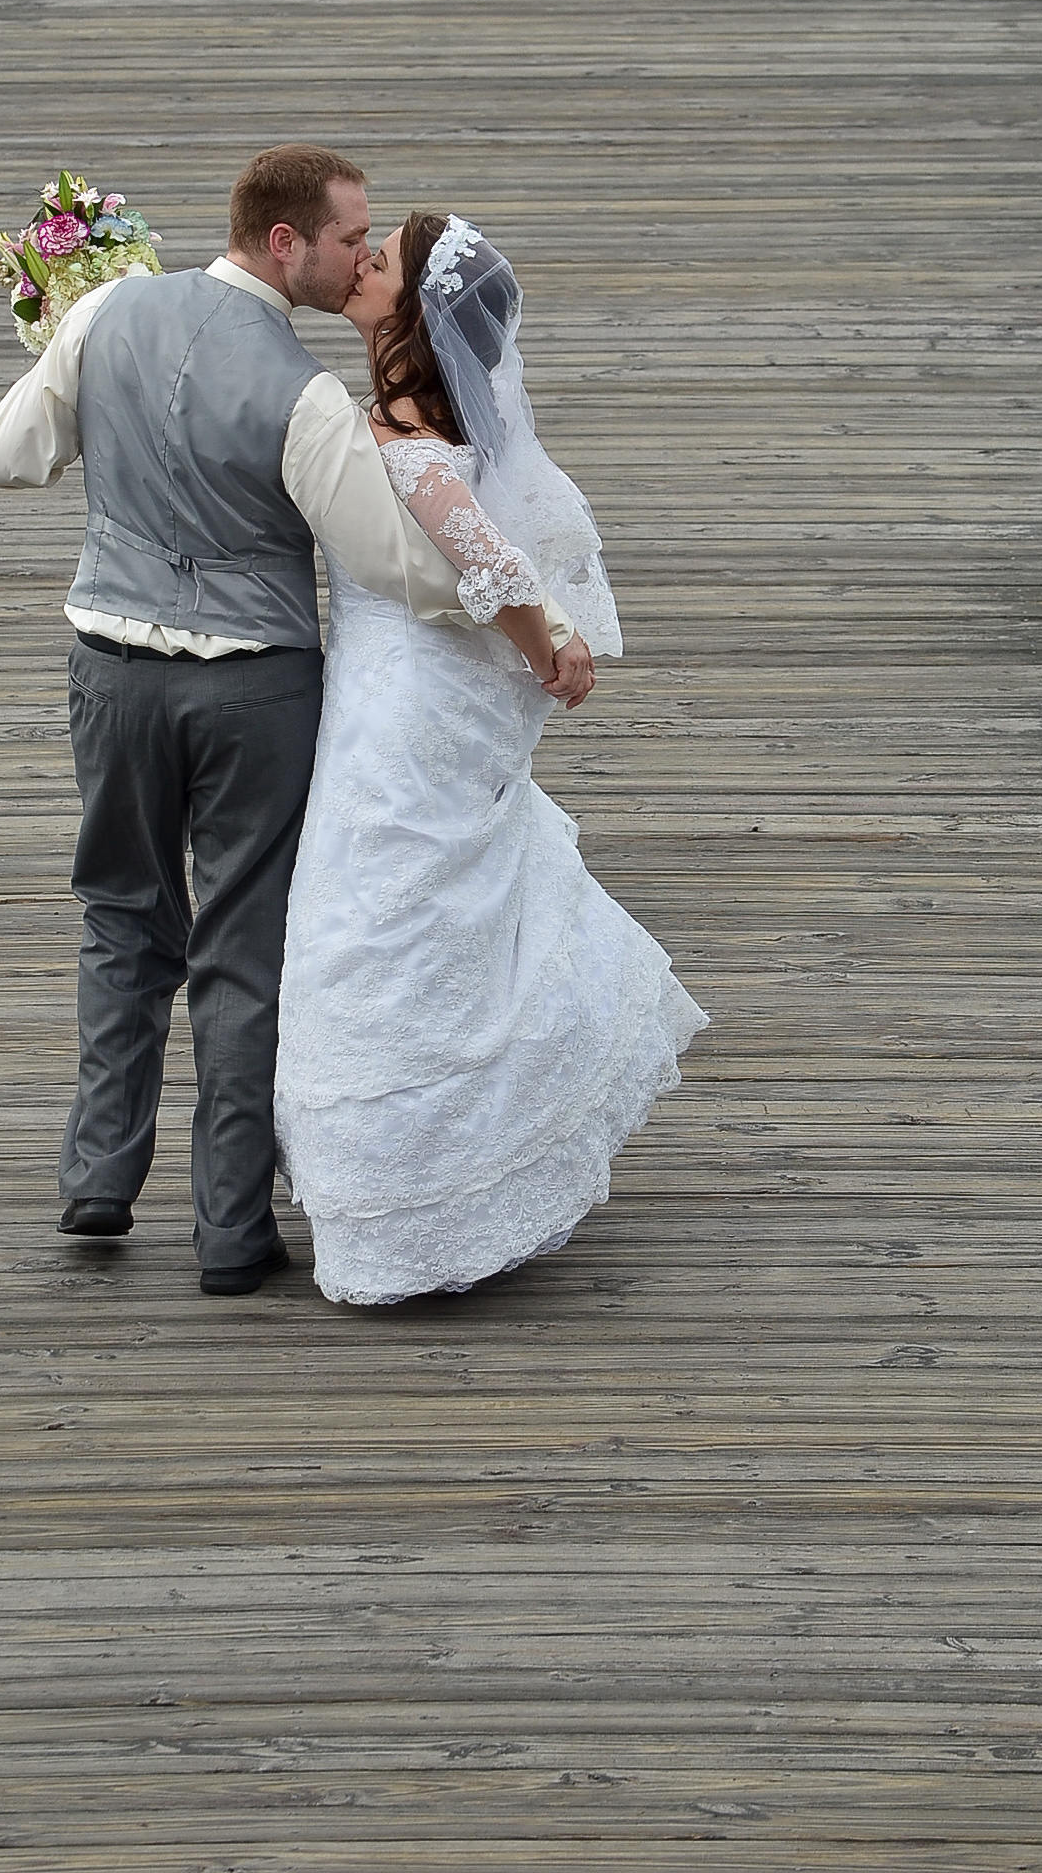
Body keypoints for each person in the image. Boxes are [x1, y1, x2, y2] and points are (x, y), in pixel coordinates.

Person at [0, 148, 588, 1296]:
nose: (363, 254)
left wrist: (81, 368)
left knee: (120, 916)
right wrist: (534, 613)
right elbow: (394, 565)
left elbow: (4, 456)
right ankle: (228, 1230)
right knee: (240, 948)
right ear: (284, 244)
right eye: (351, 236)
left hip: (110, 663)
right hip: (251, 688)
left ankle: (101, 1174)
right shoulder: (303, 395)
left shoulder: (107, 311)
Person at [273, 211, 708, 1306]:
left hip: (408, 701)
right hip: (403, 688)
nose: (361, 265)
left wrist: (545, 638)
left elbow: (484, 556)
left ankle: (417, 1191)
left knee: (379, 907)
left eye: (381, 262)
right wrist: (546, 639)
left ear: (421, 310)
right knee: (403, 904)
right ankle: (425, 1181)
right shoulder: (432, 409)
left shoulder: (410, 425)